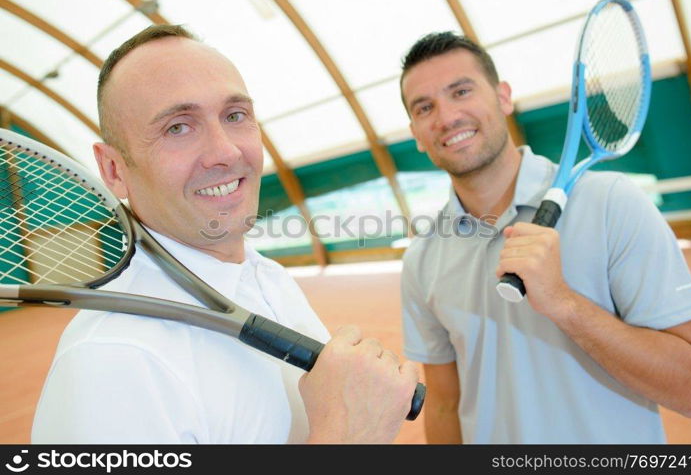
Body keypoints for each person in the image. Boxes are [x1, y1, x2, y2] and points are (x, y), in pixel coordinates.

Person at [31, 25, 419, 444]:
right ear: (113, 170)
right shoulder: (110, 361)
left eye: (235, 116)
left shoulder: (266, 275)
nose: (226, 152)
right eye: (178, 127)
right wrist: (345, 437)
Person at [399, 31, 691, 444]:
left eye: (461, 91)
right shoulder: (422, 258)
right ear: (415, 132)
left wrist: (564, 304)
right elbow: (445, 404)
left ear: (503, 97)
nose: (446, 117)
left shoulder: (612, 202)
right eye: (425, 107)